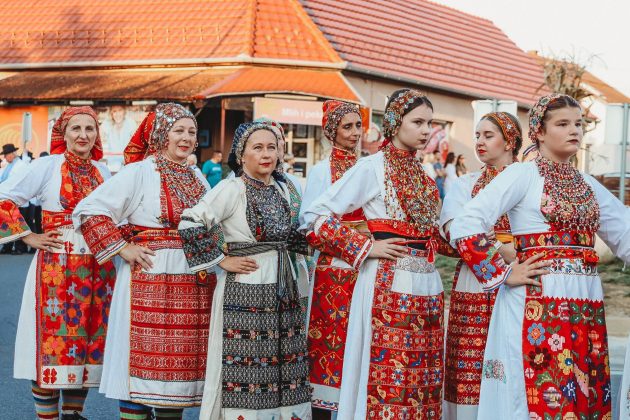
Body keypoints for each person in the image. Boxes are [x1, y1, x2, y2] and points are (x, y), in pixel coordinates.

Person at [449, 94, 630, 420]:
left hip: (585, 307)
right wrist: (502, 273)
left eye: (579, 124)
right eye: (563, 124)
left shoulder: (588, 184)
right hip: (535, 303)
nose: (574, 130)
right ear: (540, 132)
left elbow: (625, 236)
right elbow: (466, 223)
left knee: (583, 398)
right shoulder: (523, 175)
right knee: (538, 398)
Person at [302, 89, 456, 419]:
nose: (426, 131)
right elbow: (314, 216)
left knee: (421, 381)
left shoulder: (425, 176)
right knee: (387, 378)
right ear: (395, 122)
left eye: (429, 123)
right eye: (417, 122)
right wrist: (366, 246)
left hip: (428, 288)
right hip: (386, 285)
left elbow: (433, 235)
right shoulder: (372, 168)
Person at [73, 103, 214, 419]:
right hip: (149, 276)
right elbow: (90, 209)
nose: (186, 138)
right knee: (138, 359)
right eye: (179, 130)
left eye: (192, 132)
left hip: (191, 281)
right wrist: (122, 248)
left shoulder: (197, 176)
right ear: (162, 134)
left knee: (176, 370)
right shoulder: (140, 171)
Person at [178, 118, 311, 420]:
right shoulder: (232, 188)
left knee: (282, 361)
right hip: (247, 285)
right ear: (241, 154)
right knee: (248, 362)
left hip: (283, 285)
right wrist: (220, 260)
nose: (266, 154)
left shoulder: (283, 188)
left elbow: (292, 235)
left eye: (272, 147)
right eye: (257, 148)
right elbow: (190, 221)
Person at [0, 107, 114, 420]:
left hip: (98, 268)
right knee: (52, 346)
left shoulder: (103, 171)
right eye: (76, 128)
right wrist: (28, 236)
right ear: (63, 133)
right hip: (56, 268)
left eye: (90, 128)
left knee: (86, 344)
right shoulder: (47, 166)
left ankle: (73, 414)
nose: (83, 135)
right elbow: (4, 196)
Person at [440, 112, 522, 420]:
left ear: (510, 141)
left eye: (488, 135)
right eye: (477, 135)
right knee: (470, 360)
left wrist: (508, 248)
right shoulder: (466, 184)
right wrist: (493, 246)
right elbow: (452, 228)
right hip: (474, 278)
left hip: (518, 275)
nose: (479, 142)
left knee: (513, 355)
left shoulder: (528, 181)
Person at [300, 100, 367, 418]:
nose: (355, 132)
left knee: (360, 339)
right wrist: (352, 240)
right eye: (347, 126)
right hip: (333, 269)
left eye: (358, 125)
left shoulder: (369, 167)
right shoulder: (320, 171)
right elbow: (309, 226)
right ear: (331, 132)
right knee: (329, 341)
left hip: (367, 267)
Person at [0, 143, 30, 254]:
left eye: (6, 155)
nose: (4, 157)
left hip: (18, 200)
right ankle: (7, 246)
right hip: (7, 201)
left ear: (12, 154)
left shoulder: (21, 165)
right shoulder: (7, 166)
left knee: (19, 225)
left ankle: (20, 248)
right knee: (8, 225)